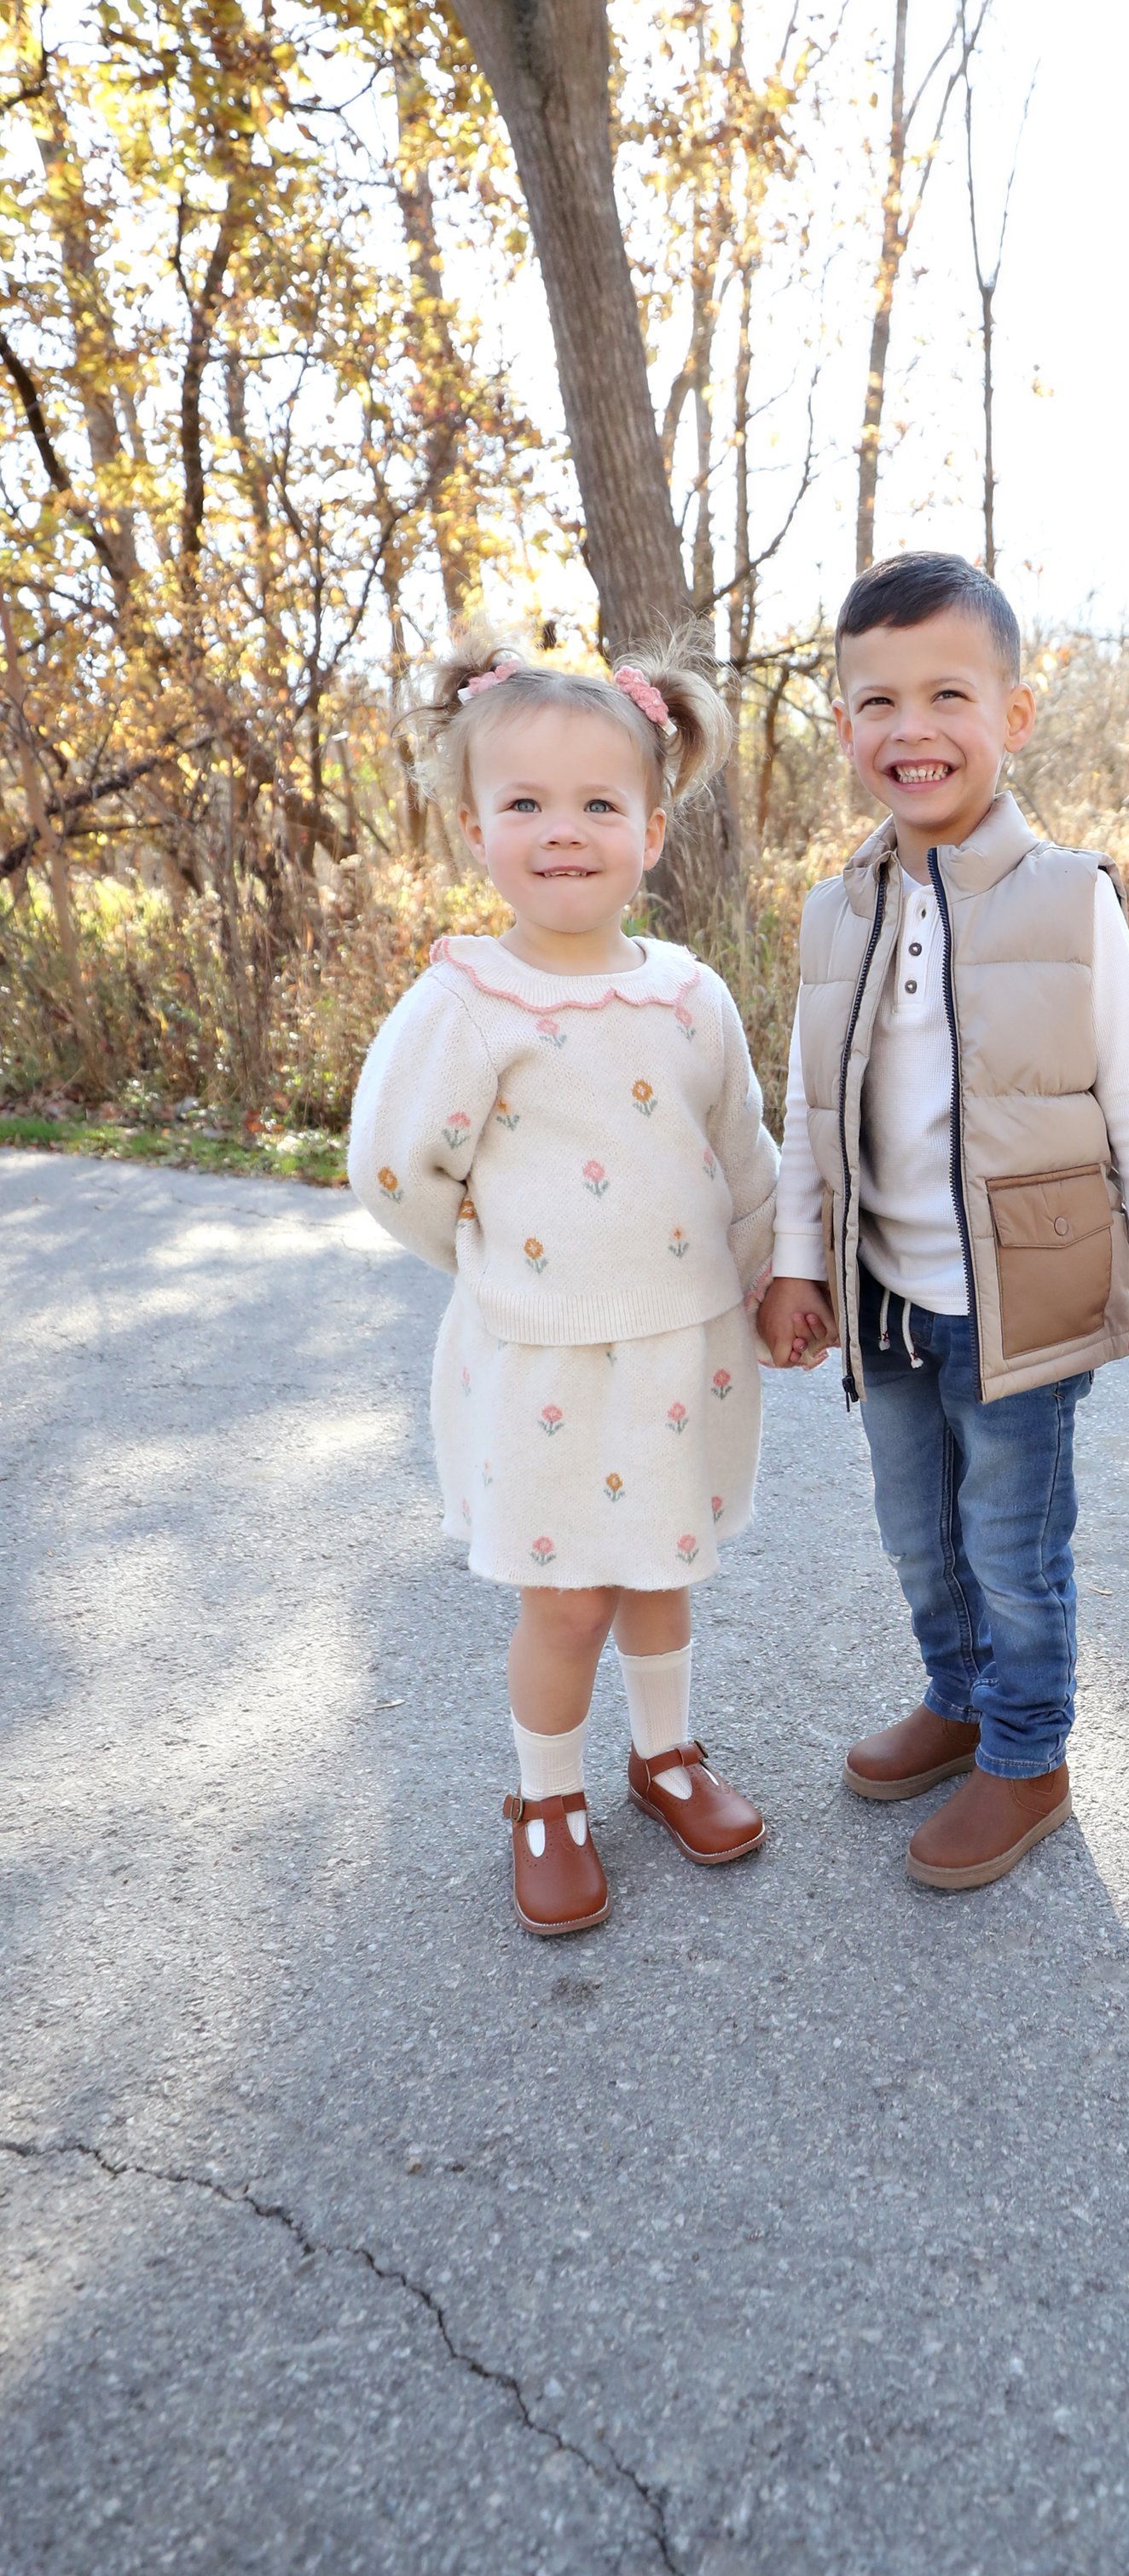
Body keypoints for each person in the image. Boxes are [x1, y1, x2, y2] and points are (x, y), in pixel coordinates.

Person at [755, 552, 1129, 1890]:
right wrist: (794, 1263)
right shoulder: (836, 911)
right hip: (883, 1292)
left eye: (948, 693)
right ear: (844, 727)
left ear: (1013, 715)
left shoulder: (1070, 898)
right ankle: (957, 1698)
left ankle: (1028, 1753)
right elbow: (805, 1104)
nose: (911, 729)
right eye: (875, 701)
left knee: (1013, 1544)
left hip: (1022, 1300)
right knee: (918, 1531)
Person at [349, 632, 779, 1937]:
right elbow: (393, 1165)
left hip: (682, 1342)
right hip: (541, 1354)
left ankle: (665, 1754)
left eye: (600, 803)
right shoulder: (470, 1001)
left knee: (660, 1566)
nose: (563, 831)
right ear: (474, 824)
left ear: (652, 826)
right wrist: (487, 1260)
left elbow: (743, 1153)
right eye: (525, 802)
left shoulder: (691, 994)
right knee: (570, 1591)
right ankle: (547, 1797)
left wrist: (772, 1281)